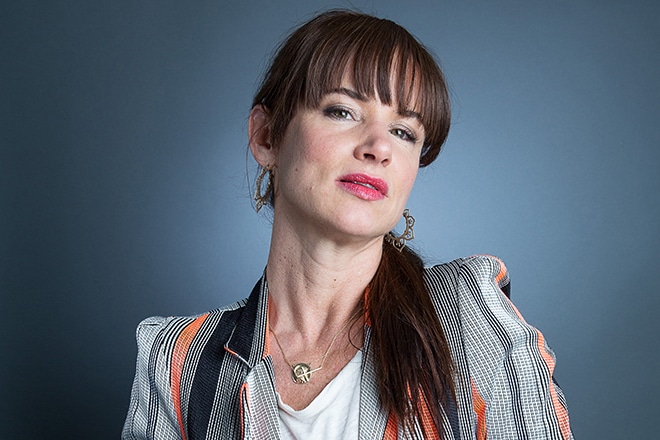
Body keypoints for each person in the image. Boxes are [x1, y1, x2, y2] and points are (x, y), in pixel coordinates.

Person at [122, 10, 573, 440]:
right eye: (342, 111)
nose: (379, 147)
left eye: (404, 132)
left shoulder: (468, 315)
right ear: (266, 136)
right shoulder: (177, 360)